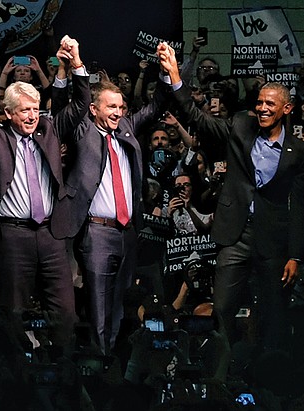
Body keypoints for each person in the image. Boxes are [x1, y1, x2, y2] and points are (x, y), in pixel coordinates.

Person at [159, 44, 304, 351]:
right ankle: (225, 367)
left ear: (287, 109)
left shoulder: (301, 151)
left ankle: (266, 373)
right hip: (236, 233)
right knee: (222, 308)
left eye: (270, 104)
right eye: (259, 103)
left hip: (273, 238)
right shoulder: (241, 124)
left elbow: (299, 207)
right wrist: (176, 77)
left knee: (273, 314)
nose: (262, 108)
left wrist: (295, 256)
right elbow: (198, 117)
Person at [0, 35, 90, 349]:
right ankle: (17, 373)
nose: (31, 115)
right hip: (13, 236)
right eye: (24, 110)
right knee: (13, 311)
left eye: (35, 109)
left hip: (51, 234)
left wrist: (77, 62)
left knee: (64, 312)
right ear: (9, 114)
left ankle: (62, 365)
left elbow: (81, 104)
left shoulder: (49, 130)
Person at [50, 43, 171, 354]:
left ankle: (115, 364)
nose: (118, 113)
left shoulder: (127, 129)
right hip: (97, 232)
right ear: (94, 109)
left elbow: (157, 105)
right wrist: (74, 66)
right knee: (100, 305)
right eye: (111, 107)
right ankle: (100, 365)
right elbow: (64, 105)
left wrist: (167, 70)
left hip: (128, 232)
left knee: (121, 304)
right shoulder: (82, 129)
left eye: (121, 107)